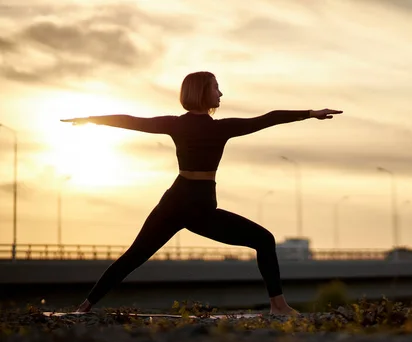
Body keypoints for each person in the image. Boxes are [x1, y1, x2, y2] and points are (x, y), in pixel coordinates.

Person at [61, 71, 342, 315]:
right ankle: (278, 306)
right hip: (186, 205)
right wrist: (309, 114)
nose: (221, 93)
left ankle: (84, 306)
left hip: (190, 205)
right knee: (137, 255)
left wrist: (91, 119)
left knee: (262, 240)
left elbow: (268, 118)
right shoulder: (215, 127)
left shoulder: (193, 125)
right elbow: (133, 120)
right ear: (201, 92)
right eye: (216, 87)